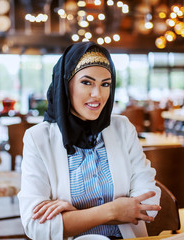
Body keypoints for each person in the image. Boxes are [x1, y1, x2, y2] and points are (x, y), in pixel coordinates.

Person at [18, 41, 161, 240]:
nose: (98, 95)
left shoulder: (122, 128)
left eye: (106, 84)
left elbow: (149, 204)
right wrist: (113, 211)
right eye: (87, 82)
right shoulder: (38, 138)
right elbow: (36, 226)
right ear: (66, 84)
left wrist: (73, 215)